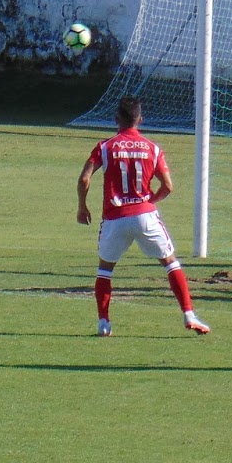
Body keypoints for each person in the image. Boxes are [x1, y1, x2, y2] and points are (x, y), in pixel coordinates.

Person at [77, 94, 210, 337]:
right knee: (170, 263)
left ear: (116, 119)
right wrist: (150, 200)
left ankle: (104, 323)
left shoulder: (105, 147)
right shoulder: (153, 148)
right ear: (141, 119)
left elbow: (85, 177)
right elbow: (168, 186)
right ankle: (189, 314)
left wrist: (82, 206)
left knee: (105, 269)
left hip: (115, 217)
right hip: (145, 215)